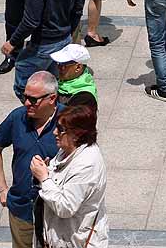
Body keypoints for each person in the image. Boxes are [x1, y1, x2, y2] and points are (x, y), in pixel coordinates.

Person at [0, 70, 60, 248]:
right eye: (25, 96)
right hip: (21, 209)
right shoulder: (17, 117)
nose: (27, 103)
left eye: (33, 99)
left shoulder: (66, 121)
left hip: (54, 214)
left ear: (52, 99)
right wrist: (2, 189)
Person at [30, 105, 108, 247]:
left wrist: (44, 178)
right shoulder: (66, 150)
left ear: (77, 134)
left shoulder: (87, 164)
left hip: (76, 243)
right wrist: (45, 172)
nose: (54, 132)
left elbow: (65, 207)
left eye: (60, 129)